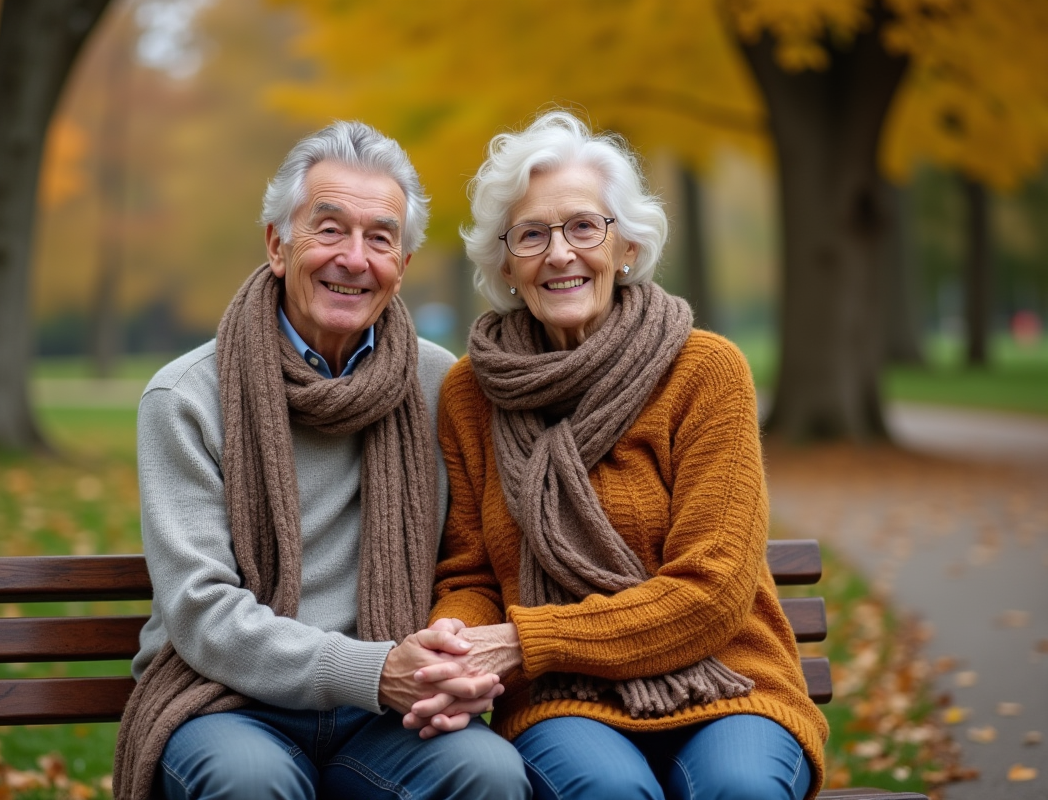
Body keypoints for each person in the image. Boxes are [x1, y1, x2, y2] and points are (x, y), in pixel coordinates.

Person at [408, 110, 829, 800]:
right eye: (532, 234)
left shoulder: (704, 370)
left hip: (728, 675)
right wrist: (454, 640)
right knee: (607, 790)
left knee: (740, 789)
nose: (560, 253)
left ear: (627, 246)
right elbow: (474, 573)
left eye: (583, 226)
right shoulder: (471, 392)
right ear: (507, 264)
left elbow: (714, 591)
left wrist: (522, 642)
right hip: (561, 698)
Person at [112, 121, 531, 800]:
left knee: (488, 774)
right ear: (279, 245)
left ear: (402, 267)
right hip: (226, 700)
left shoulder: (438, 383)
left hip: (387, 714)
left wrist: (445, 658)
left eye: (381, 238)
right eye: (329, 229)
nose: (355, 259)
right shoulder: (187, 396)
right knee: (251, 782)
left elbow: (470, 562)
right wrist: (371, 670)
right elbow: (200, 611)